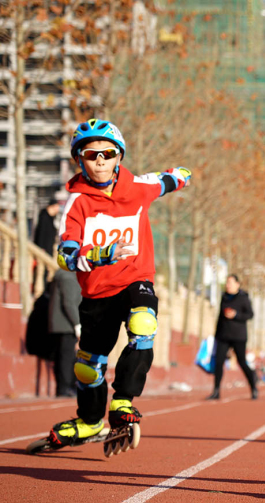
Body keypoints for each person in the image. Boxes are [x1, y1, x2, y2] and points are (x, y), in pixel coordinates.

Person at [45, 118, 191, 449]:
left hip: (135, 280)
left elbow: (167, 180)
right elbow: (65, 256)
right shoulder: (76, 202)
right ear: (79, 159)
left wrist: (181, 176)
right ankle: (89, 420)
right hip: (97, 292)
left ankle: (123, 400)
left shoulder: (137, 186)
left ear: (119, 157)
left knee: (143, 324)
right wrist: (101, 253)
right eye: (90, 154)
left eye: (107, 154)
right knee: (87, 368)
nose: (100, 161)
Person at [207, 274, 258, 400]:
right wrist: (216, 335)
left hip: (238, 336)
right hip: (223, 336)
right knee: (219, 362)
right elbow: (220, 316)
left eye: (230, 282)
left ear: (237, 284)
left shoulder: (243, 298)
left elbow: (250, 314)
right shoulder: (224, 297)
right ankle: (216, 391)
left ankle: (253, 387)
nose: (228, 285)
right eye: (227, 282)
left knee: (242, 362)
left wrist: (236, 315)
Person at [48, 268, 82, 397]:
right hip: (66, 325)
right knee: (66, 358)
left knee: (63, 358)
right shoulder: (68, 277)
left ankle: (64, 388)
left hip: (63, 324)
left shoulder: (66, 277)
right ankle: (64, 388)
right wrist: (77, 324)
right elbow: (69, 303)